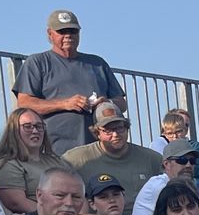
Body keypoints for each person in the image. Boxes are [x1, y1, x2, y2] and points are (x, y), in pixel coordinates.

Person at [14, 9, 126, 154]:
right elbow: (24, 103)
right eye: (62, 31)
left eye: (73, 31)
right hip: (55, 150)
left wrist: (106, 103)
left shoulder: (97, 63)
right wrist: (65, 104)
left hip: (99, 151)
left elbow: (122, 103)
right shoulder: (37, 62)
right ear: (50, 34)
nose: (68, 36)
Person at [62, 103, 162, 215]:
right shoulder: (75, 159)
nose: (115, 134)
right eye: (108, 130)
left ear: (127, 128)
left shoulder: (152, 159)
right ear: (96, 133)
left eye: (120, 128)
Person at [0, 106, 64, 215]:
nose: (35, 131)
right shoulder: (7, 164)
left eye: (39, 126)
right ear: (13, 131)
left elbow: (77, 192)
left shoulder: (57, 161)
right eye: (27, 126)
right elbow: (16, 203)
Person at [132, 139, 199, 215]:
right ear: (166, 164)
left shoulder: (184, 185)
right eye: (182, 160)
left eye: (192, 160)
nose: (188, 165)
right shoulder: (160, 186)